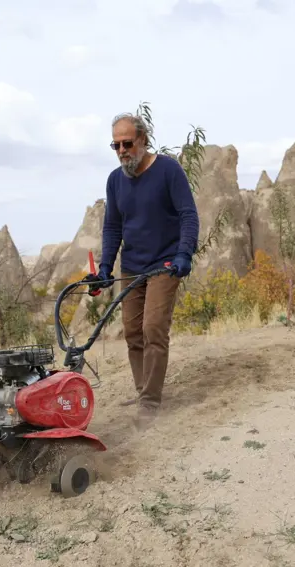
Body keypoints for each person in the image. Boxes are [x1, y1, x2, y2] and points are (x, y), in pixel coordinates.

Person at [91, 112, 199, 429]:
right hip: (132, 267)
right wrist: (105, 268)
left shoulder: (168, 170)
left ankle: (151, 402)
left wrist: (184, 253)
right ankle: (143, 392)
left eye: (127, 143)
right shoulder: (115, 180)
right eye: (116, 145)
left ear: (143, 140)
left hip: (166, 263)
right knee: (132, 333)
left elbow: (188, 216)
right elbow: (112, 228)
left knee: (153, 329)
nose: (122, 150)